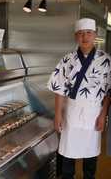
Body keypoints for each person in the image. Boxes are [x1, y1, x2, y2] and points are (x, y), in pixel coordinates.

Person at [47, 18, 111, 179]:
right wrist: (58, 115)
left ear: (95, 35)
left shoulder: (106, 60)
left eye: (89, 33)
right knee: (68, 153)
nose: (85, 37)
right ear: (76, 37)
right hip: (71, 113)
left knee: (90, 155)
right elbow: (59, 89)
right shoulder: (67, 60)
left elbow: (108, 92)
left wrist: (104, 115)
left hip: (94, 113)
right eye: (81, 34)